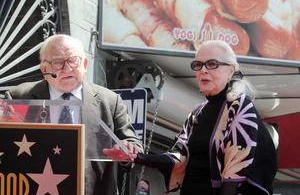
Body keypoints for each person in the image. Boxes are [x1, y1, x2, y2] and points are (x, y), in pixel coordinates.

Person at [105, 40, 277, 195]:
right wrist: (135, 156)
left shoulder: (238, 105)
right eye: (198, 64)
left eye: (212, 64)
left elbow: (237, 168)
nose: (203, 70)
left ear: (231, 70)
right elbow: (178, 157)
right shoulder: (197, 113)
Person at [6, 34, 143, 195]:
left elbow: (133, 144)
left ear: (84, 64)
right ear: (44, 69)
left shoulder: (110, 102)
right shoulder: (19, 97)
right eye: (58, 62)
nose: (67, 68)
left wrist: (128, 150)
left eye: (73, 60)